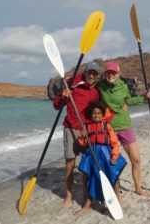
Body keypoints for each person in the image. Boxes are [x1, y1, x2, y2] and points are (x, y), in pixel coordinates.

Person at [97, 62, 150, 196]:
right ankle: (114, 187)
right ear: (104, 74)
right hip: (108, 128)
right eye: (108, 73)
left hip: (124, 126)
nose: (111, 75)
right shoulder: (100, 87)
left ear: (118, 74)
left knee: (136, 159)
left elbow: (128, 101)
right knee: (111, 161)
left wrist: (144, 97)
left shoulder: (123, 87)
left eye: (113, 73)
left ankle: (138, 187)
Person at [53, 62, 101, 207]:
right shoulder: (72, 85)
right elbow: (56, 106)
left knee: (86, 165)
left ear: (97, 76)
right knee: (70, 164)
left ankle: (86, 195)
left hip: (86, 130)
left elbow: (98, 112)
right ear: (85, 73)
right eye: (89, 72)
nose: (91, 75)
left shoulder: (96, 92)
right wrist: (63, 95)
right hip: (71, 128)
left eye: (94, 73)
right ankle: (68, 195)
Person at [74, 101, 127, 215]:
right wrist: (82, 135)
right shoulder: (86, 126)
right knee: (88, 178)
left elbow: (114, 142)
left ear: (102, 114)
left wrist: (114, 156)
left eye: (98, 113)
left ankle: (116, 200)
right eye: (94, 113)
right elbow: (82, 143)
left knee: (113, 176)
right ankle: (88, 204)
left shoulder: (107, 126)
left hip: (105, 154)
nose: (96, 115)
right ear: (90, 114)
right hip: (92, 155)